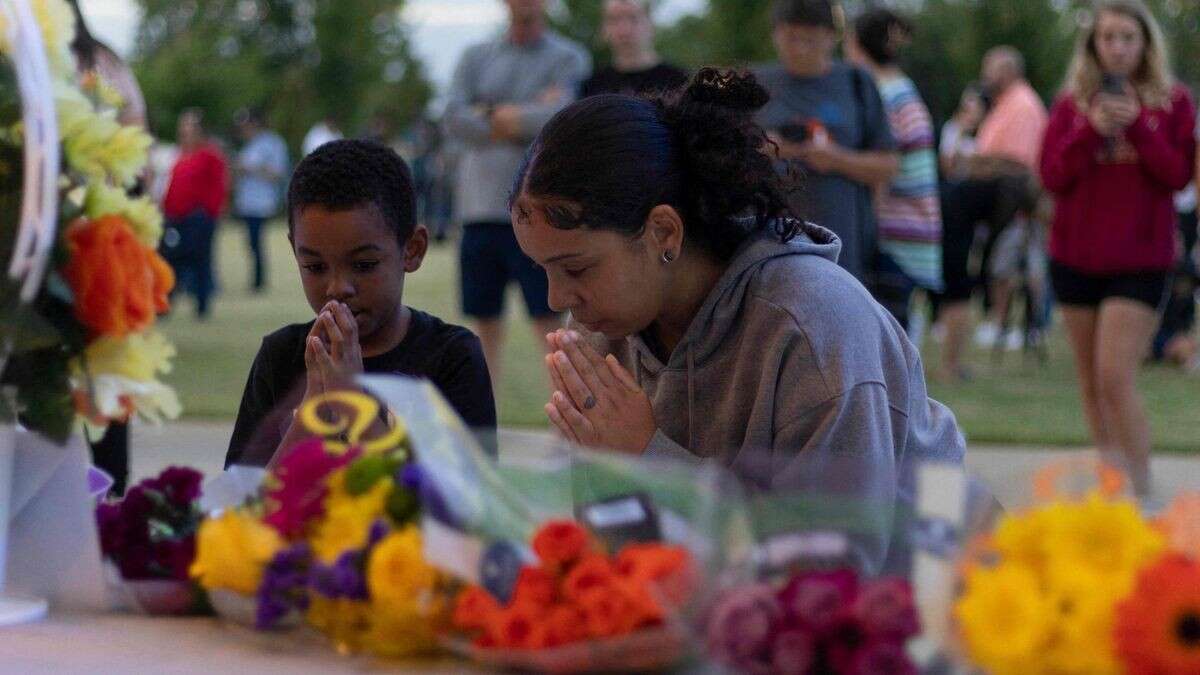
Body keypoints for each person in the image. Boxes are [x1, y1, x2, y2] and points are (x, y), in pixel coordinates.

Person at [510, 69, 965, 571]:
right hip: (720, 623)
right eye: (543, 271)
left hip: (928, 606)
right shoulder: (602, 332)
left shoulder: (815, 327)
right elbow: (619, 557)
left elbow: (832, 570)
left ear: (664, 232)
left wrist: (651, 458)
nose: (560, 298)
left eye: (576, 267)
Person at [226, 140, 496, 467]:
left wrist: (354, 405)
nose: (337, 288)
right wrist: (315, 406)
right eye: (314, 267)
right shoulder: (280, 357)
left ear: (411, 249)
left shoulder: (453, 358)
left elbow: (464, 510)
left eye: (364, 265)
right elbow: (245, 509)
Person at [1040, 0, 1196, 500]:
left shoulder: (1173, 103)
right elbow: (1052, 177)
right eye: (1109, 37)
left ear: (1146, 44)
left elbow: (1177, 176)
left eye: (1129, 37)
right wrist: (1091, 129)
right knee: (1089, 382)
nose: (1119, 47)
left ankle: (1143, 492)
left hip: (1140, 261)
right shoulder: (1070, 105)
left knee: (1114, 376)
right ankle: (1112, 490)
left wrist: (1138, 128)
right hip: (1074, 257)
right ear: (1094, 44)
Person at [443, 0, 590, 391]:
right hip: (480, 210)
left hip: (539, 210)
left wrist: (490, 111)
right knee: (484, 325)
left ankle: (568, 429)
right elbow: (454, 118)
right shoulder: (475, 56)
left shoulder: (569, 57)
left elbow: (562, 117)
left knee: (550, 324)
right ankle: (485, 426)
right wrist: (526, 115)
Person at [755, 0, 899, 284]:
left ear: (831, 37)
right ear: (776, 34)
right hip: (768, 247)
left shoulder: (857, 83)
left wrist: (835, 158)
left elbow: (888, 166)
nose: (799, 48)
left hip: (844, 249)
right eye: (791, 38)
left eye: (809, 39)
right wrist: (766, 150)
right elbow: (725, 160)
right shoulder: (758, 84)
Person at [67, 0, 146, 495]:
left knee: (95, 369)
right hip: (106, 234)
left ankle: (104, 490)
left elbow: (132, 145)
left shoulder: (88, 67)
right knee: (104, 368)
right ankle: (110, 488)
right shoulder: (109, 62)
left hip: (90, 235)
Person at [937, 46, 1048, 380]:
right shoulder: (1003, 105)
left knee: (967, 276)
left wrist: (972, 164)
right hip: (974, 209)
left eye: (992, 69)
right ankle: (952, 357)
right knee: (957, 276)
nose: (986, 76)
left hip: (994, 213)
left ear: (1009, 71)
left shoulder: (1023, 105)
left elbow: (1015, 163)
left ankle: (957, 356)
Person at [845, 9, 942, 330]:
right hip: (913, 240)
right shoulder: (902, 90)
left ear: (856, 45)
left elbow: (880, 174)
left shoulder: (882, 96)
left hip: (894, 242)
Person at [161, 109, 228, 320]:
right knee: (171, 258)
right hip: (176, 217)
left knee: (199, 259)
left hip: (198, 218)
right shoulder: (180, 154)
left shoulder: (210, 155)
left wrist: (210, 213)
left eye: (189, 126)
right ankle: (165, 303)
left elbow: (219, 186)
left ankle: (201, 304)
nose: (184, 130)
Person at [580, 0, 688, 98]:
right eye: (614, 20)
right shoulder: (592, 86)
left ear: (650, 23)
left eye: (633, 18)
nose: (624, 30)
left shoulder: (681, 82)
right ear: (603, 28)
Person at [233, 108, 289, 292]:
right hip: (246, 202)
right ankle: (256, 278)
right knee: (250, 243)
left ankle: (259, 280)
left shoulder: (272, 143)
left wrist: (254, 168)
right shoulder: (247, 146)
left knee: (257, 241)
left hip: (262, 202)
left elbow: (278, 173)